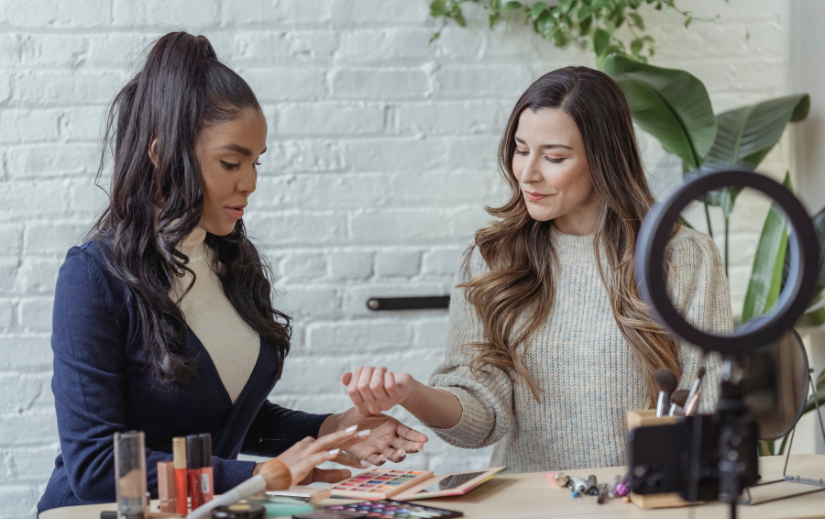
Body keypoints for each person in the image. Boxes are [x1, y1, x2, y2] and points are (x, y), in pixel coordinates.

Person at [37, 32, 427, 513]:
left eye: (255, 162)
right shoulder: (95, 277)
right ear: (161, 154)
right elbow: (96, 466)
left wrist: (333, 430)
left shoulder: (233, 264)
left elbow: (224, 413)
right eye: (230, 162)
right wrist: (264, 476)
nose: (251, 182)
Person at [341, 66, 731, 474]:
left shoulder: (682, 256)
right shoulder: (491, 257)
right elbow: (483, 421)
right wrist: (412, 393)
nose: (527, 174)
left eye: (554, 157)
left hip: (644, 504)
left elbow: (709, 403)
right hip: (530, 505)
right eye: (521, 149)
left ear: (603, 159)